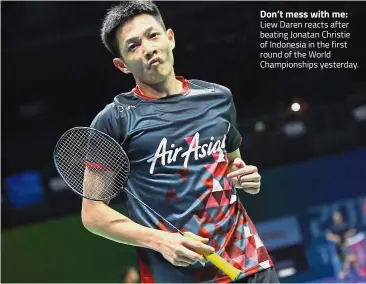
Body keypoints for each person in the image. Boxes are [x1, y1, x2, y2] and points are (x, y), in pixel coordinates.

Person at [81, 1, 277, 283]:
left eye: (153, 35)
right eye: (133, 46)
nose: (147, 48)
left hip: (248, 262)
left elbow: (233, 162)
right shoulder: (115, 120)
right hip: (178, 277)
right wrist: (160, 240)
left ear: (170, 38)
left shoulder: (218, 98)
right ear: (122, 65)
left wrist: (246, 175)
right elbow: (93, 214)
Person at [326, 211, 359, 279]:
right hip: (337, 248)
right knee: (340, 263)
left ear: (341, 217)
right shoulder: (332, 227)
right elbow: (328, 236)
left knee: (351, 259)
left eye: (338, 216)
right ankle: (342, 274)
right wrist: (335, 238)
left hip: (346, 246)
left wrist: (347, 235)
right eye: (335, 217)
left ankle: (354, 274)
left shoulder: (345, 225)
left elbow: (352, 231)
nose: (337, 218)